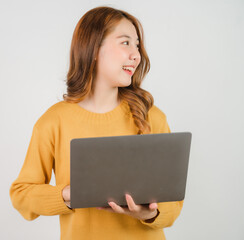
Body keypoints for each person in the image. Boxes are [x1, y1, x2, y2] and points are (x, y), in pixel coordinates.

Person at [10, 6, 183, 240]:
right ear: (93, 49)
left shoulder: (151, 116)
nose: (136, 54)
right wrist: (66, 196)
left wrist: (148, 213)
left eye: (137, 44)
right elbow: (22, 194)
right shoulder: (54, 121)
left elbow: (173, 207)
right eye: (125, 43)